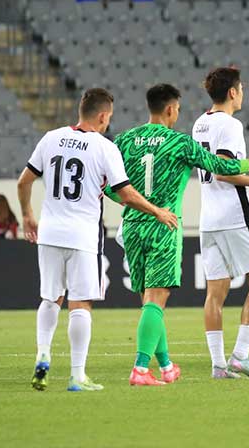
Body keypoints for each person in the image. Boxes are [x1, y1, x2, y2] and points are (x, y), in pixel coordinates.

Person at [113, 83, 249, 386]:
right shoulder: (179, 142)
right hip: (164, 224)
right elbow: (221, 166)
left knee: (151, 301)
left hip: (134, 224)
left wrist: (132, 201)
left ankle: (170, 365)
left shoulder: (125, 140)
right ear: (170, 109)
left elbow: (108, 186)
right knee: (157, 299)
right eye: (177, 109)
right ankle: (141, 369)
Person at [17, 88, 178, 392]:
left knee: (51, 297)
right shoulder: (104, 148)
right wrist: (157, 211)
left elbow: (24, 180)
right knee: (80, 302)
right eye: (109, 119)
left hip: (49, 232)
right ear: (103, 116)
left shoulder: (51, 138)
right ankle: (77, 376)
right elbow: (127, 193)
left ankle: (43, 354)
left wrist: (27, 214)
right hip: (83, 235)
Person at [192, 67, 249, 379]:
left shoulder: (199, 123)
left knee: (215, 292)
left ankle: (218, 365)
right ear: (232, 92)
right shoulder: (230, 125)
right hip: (234, 214)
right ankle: (240, 356)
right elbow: (224, 170)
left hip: (208, 217)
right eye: (241, 88)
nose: (243, 92)